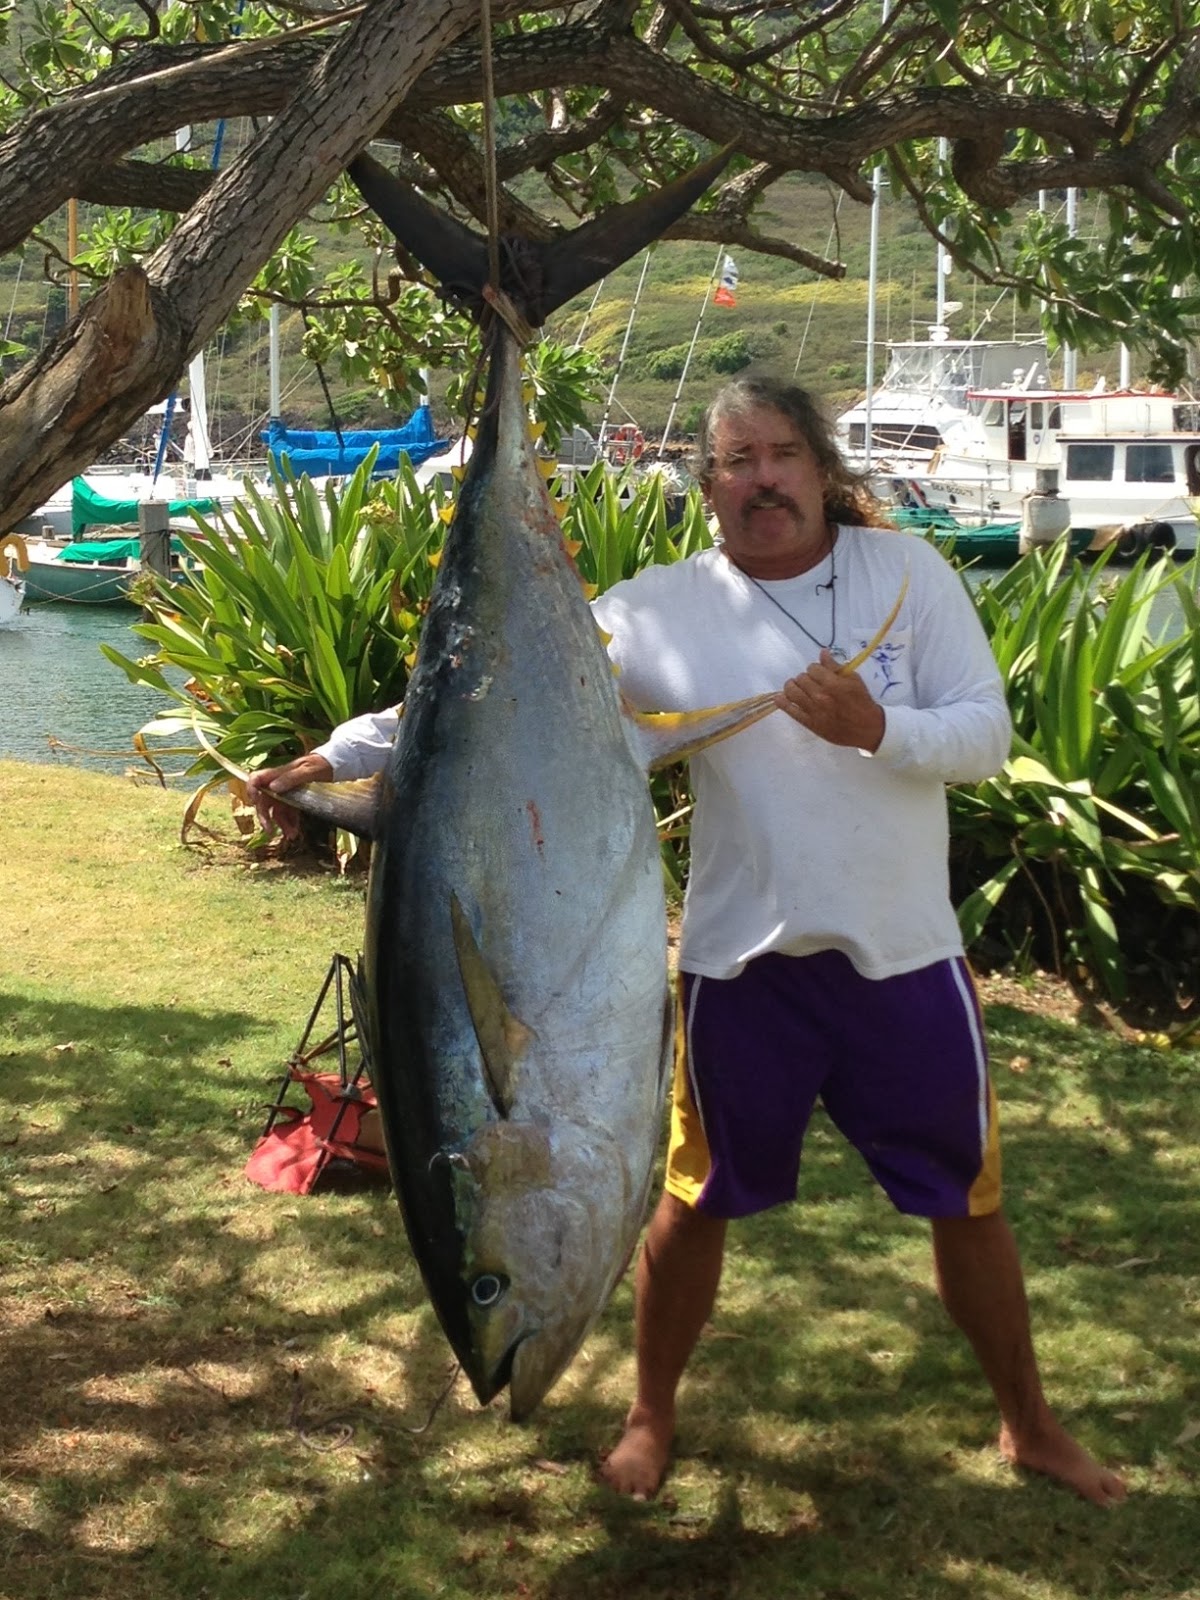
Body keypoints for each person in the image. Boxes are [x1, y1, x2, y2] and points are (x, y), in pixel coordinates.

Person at [247, 378, 1126, 1509]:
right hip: (740, 964)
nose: (761, 478)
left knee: (965, 1201)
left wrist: (878, 729)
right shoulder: (658, 610)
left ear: (818, 465)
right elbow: (491, 696)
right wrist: (331, 759)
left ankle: (1031, 1422)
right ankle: (649, 1418)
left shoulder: (911, 577)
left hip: (902, 956)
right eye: (735, 461)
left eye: (779, 455)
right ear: (708, 486)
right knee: (694, 1201)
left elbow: (987, 733)